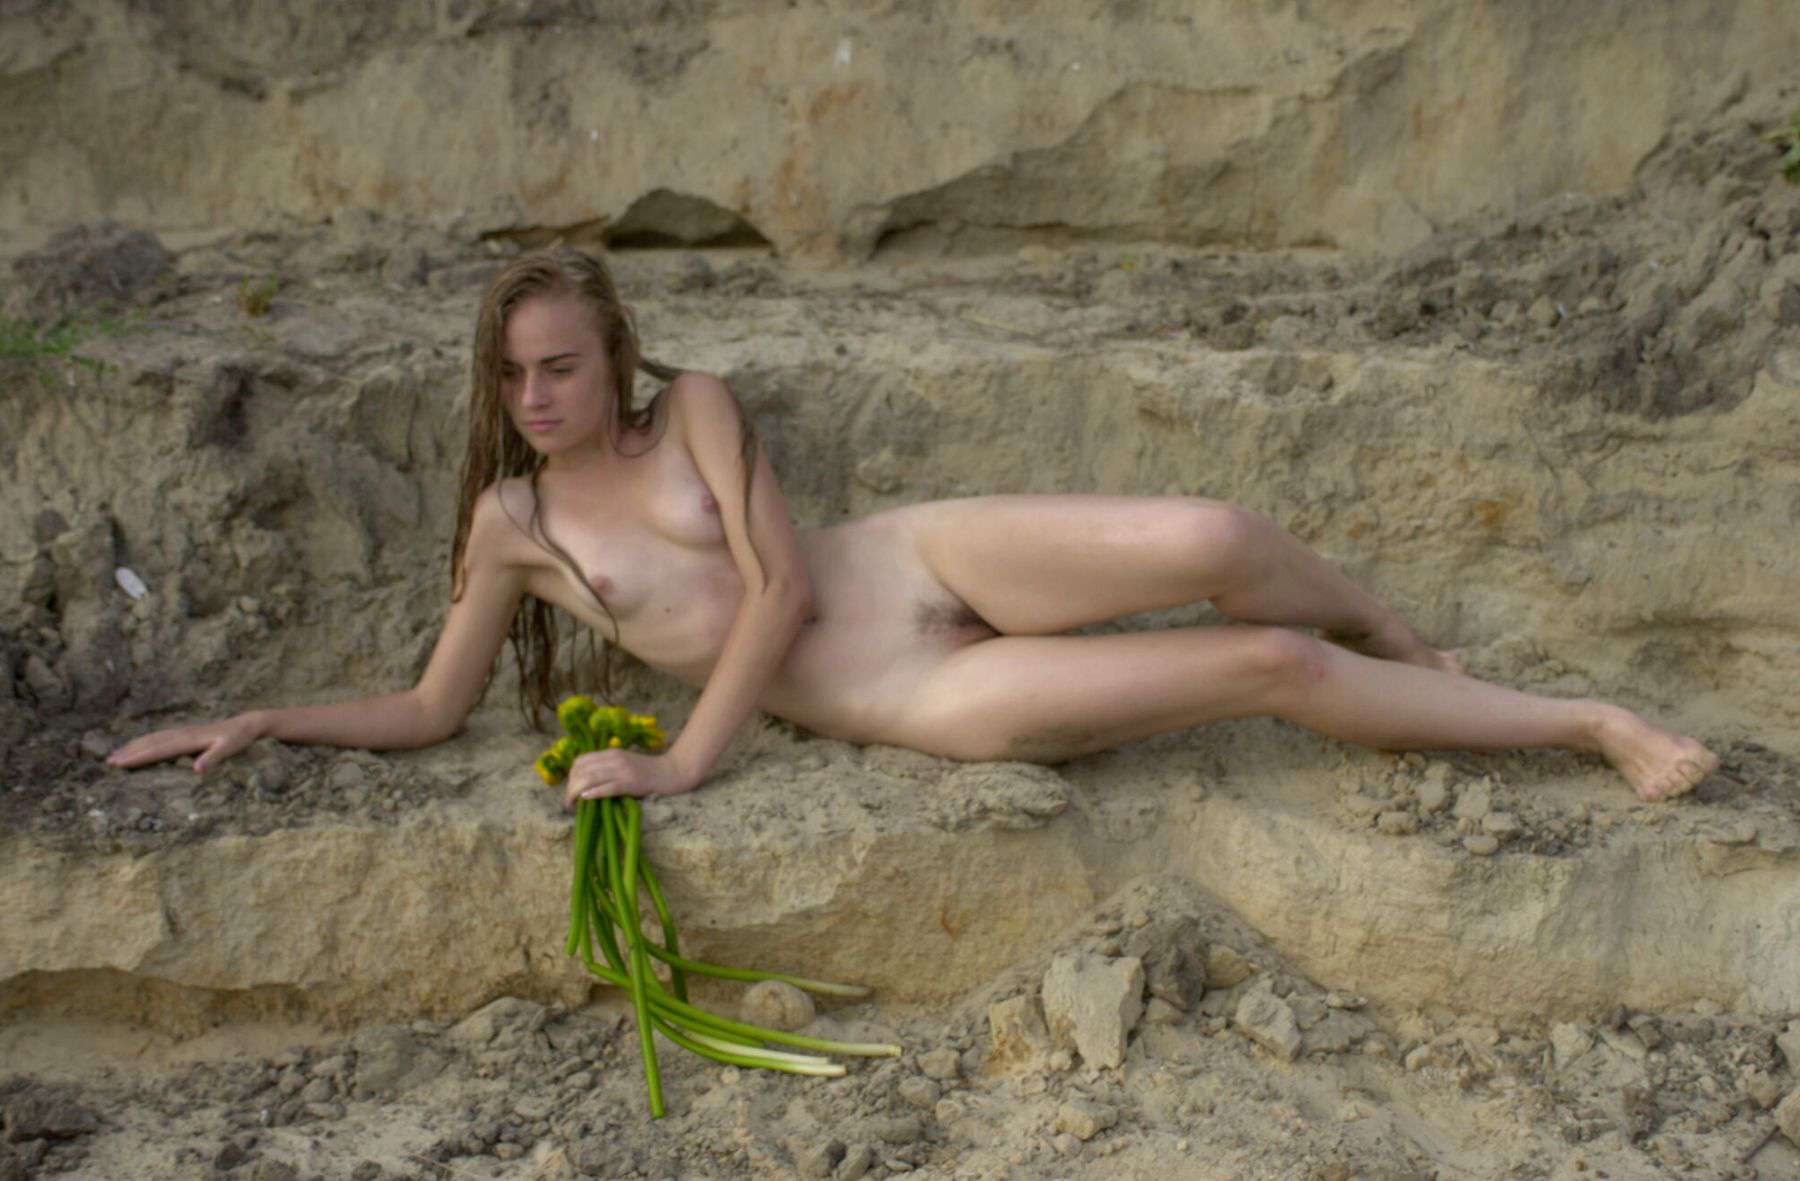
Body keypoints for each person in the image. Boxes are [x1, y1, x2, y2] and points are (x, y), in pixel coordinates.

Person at [109, 247, 1719, 807]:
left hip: (921, 559)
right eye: (513, 376)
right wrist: (261, 719)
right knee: (1269, 666)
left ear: (614, 354)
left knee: (1219, 532)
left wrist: (683, 760)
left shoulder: (702, 405)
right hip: (913, 691)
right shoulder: (514, 523)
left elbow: (779, 585)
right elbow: (427, 704)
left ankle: (1401, 636)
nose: (534, 397)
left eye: (561, 368)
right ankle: (1586, 721)